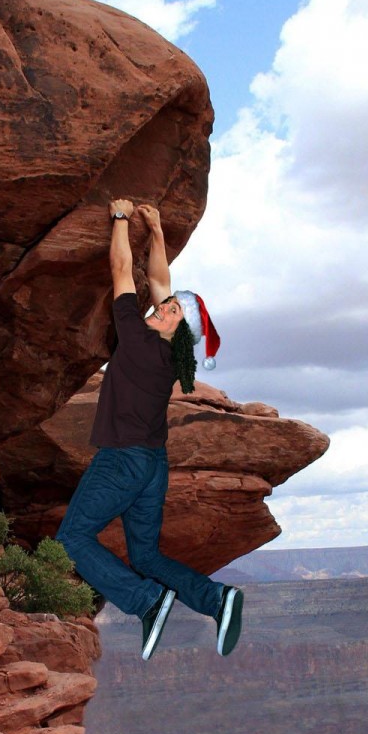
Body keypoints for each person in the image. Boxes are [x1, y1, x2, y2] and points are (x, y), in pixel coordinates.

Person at [56, 199, 244, 661]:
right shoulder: (169, 355)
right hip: (152, 466)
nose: (163, 309)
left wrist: (120, 218)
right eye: (167, 307)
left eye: (172, 313)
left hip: (121, 461)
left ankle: (145, 601)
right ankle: (215, 599)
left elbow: (123, 269)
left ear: (176, 330)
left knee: (72, 539)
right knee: (146, 557)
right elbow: (160, 281)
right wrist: (156, 230)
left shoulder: (138, 338)